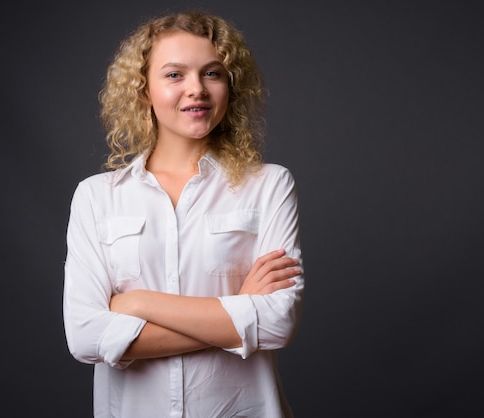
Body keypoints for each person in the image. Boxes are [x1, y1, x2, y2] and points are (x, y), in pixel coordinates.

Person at [62, 10, 304, 418]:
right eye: (175, 75)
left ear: (231, 85)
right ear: (143, 90)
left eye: (213, 73)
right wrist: (238, 308)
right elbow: (86, 338)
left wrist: (138, 303)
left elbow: (277, 324)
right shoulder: (96, 197)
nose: (197, 89)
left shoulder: (269, 185)